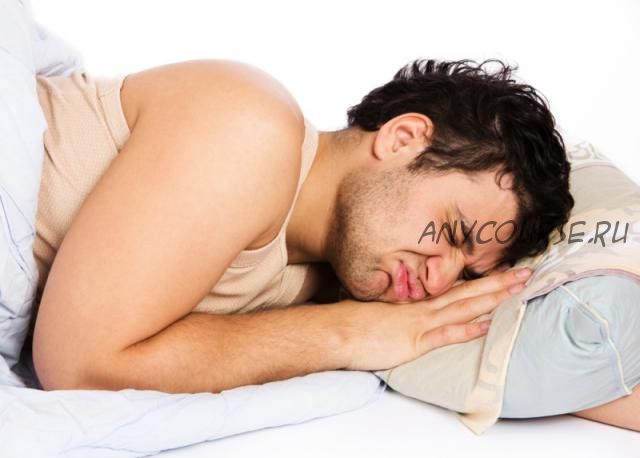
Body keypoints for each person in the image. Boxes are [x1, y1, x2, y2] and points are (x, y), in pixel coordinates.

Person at [31, 58, 570, 395]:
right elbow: (80, 366)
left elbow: (567, 368)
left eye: (466, 275)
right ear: (402, 138)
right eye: (451, 232)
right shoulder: (251, 125)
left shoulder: (326, 279)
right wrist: (348, 334)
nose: (440, 279)